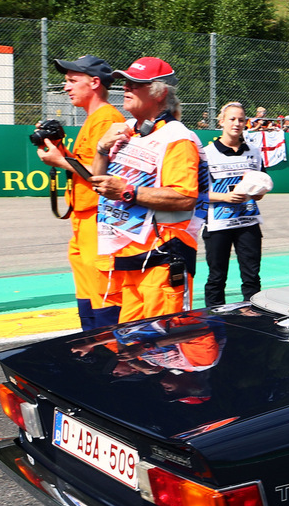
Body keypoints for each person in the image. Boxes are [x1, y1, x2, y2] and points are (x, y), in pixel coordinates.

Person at [90, 57, 203, 323]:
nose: (126, 88)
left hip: (163, 258)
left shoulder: (177, 138)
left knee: (164, 347)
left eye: (136, 84)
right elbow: (98, 183)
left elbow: (185, 197)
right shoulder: (126, 131)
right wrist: (101, 149)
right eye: (126, 82)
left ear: (160, 93)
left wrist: (128, 191)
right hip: (129, 257)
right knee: (132, 347)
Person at [36, 54, 125, 330]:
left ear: (95, 83)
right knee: (87, 290)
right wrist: (58, 149)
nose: (66, 87)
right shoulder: (94, 119)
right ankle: (92, 345)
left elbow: (103, 175)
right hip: (84, 219)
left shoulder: (108, 119)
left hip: (99, 219)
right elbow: (85, 165)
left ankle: (109, 351)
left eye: (72, 81)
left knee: (103, 290)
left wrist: (59, 161)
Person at [203, 102, 268, 306]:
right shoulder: (206, 153)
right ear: (221, 121)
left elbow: (260, 189)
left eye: (241, 119)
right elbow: (198, 193)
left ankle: (253, 319)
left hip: (248, 222)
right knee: (216, 278)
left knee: (251, 278)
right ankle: (214, 321)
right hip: (218, 225)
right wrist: (225, 198)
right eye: (232, 119)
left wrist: (257, 193)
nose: (237, 123)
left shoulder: (254, 152)